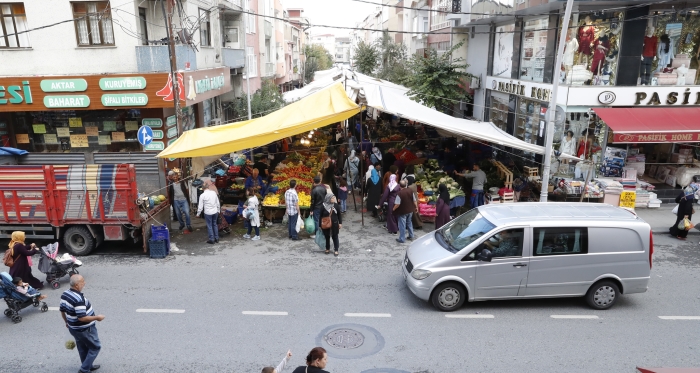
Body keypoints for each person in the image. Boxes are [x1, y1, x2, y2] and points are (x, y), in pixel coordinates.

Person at [60, 275, 105, 373]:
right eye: (82, 281)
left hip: (73, 328)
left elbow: (62, 311)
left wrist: (67, 322)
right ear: (76, 285)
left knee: (82, 347)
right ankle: (84, 369)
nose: (84, 283)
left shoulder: (65, 293)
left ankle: (88, 365)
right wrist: (97, 317)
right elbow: (82, 318)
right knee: (95, 347)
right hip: (84, 329)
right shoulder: (78, 299)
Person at [197, 180, 221, 244]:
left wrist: (198, 214)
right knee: (215, 224)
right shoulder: (213, 193)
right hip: (215, 211)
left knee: (209, 226)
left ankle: (211, 239)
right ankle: (217, 238)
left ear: (203, 188)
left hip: (208, 213)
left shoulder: (202, 195)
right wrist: (218, 210)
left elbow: (200, 207)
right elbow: (217, 203)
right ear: (208, 187)